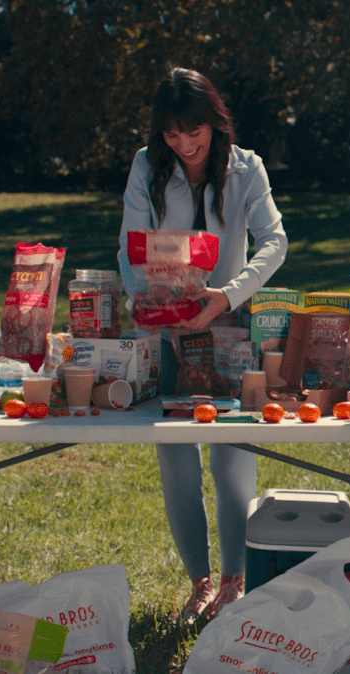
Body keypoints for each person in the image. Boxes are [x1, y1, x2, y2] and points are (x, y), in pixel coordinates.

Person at [116, 67, 288, 623]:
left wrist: (229, 295)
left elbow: (275, 241)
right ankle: (199, 583)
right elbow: (129, 247)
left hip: (230, 329)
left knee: (230, 457)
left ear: (215, 123)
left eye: (195, 132)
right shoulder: (147, 166)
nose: (185, 145)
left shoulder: (246, 168)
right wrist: (151, 306)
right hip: (167, 331)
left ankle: (235, 583)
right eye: (171, 133)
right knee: (176, 461)